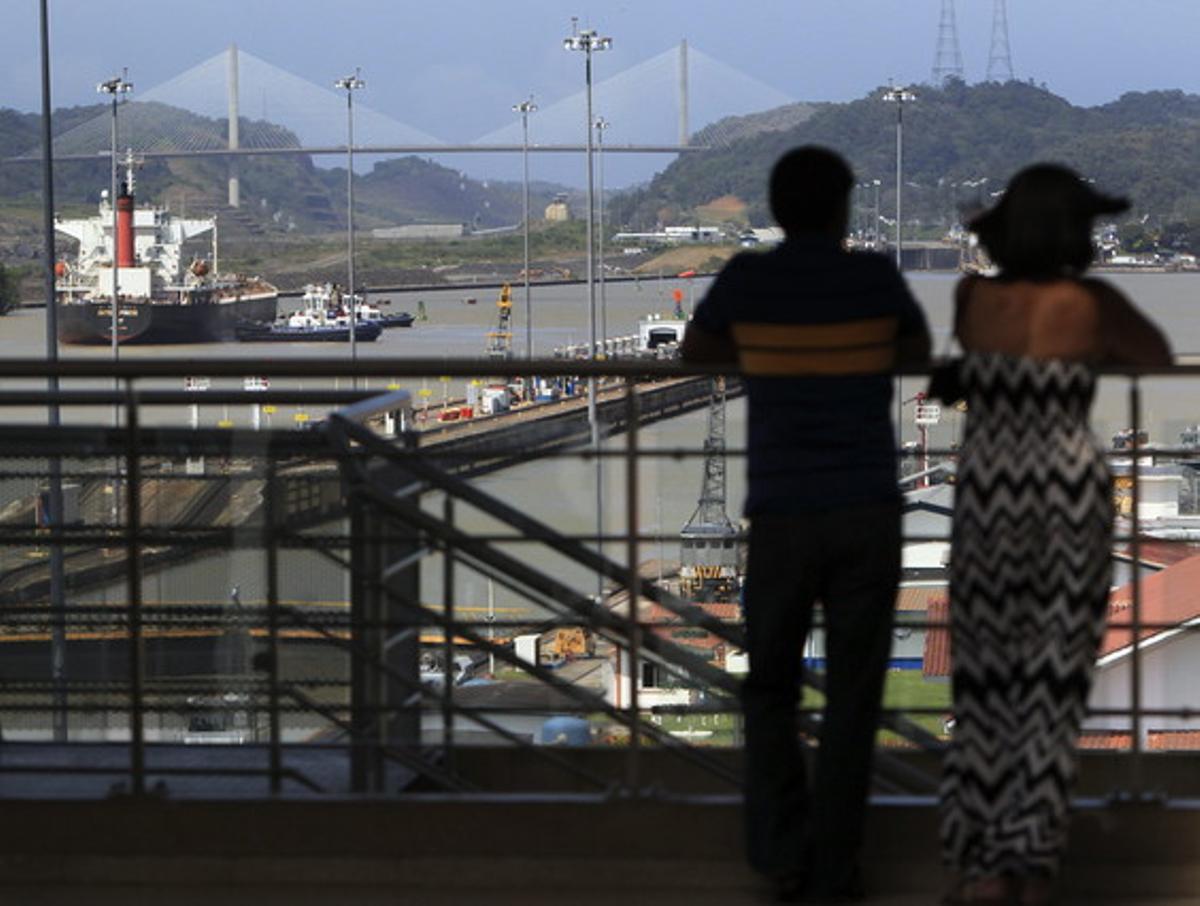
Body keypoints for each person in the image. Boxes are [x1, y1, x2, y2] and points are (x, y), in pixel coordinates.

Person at [681, 145, 931, 901]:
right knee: (855, 695)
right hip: (866, 509)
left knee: (771, 690)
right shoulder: (874, 276)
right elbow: (915, 351)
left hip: (782, 512)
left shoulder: (749, 279)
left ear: (777, 207)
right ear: (843, 207)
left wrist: (767, 352)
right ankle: (839, 864)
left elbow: (699, 352)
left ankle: (781, 854)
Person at [939, 164, 1171, 905]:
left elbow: (972, 370)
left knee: (984, 684)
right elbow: (1156, 356)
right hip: (1067, 495)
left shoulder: (973, 297)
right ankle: (1031, 867)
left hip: (987, 495)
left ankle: (981, 868)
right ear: (1076, 233)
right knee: (1052, 688)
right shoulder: (1091, 301)